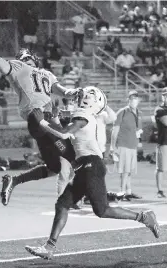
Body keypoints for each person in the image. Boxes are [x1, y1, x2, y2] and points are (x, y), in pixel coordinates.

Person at [24, 87, 160, 260]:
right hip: (85, 166)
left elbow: (64, 134)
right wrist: (55, 116)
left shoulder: (84, 117)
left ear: (89, 100)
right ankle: (49, 247)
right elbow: (64, 126)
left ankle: (144, 217)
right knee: (63, 204)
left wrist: (43, 122)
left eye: (81, 96)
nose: (77, 98)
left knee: (102, 210)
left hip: (91, 165)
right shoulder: (84, 115)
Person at [0, 14, 79, 205]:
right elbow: (66, 93)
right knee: (70, 157)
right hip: (42, 119)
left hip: (38, 121)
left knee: (54, 167)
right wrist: (77, 93)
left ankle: (15, 180)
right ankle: (71, 198)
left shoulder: (19, 67)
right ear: (34, 60)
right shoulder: (46, 73)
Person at [110, 90, 143, 201]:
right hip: (123, 145)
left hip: (132, 146)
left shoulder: (139, 113)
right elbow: (115, 131)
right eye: (131, 98)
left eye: (135, 98)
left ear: (138, 100)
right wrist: (113, 147)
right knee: (125, 171)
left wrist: (139, 143)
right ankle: (122, 192)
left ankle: (128, 192)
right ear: (128, 100)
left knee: (129, 171)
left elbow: (138, 130)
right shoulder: (122, 112)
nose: (134, 100)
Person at [154, 87, 167, 198]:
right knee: (161, 168)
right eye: (165, 95)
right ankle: (160, 190)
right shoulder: (160, 109)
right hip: (164, 142)